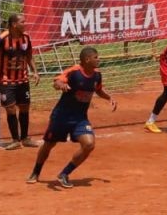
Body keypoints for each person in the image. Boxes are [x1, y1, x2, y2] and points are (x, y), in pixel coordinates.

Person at [27, 47, 117, 188]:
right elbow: (57, 81)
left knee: (89, 144)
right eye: (96, 57)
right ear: (87, 59)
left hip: (80, 118)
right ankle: (36, 171)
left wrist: (109, 97)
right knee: (49, 144)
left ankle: (64, 174)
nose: (98, 59)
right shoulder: (74, 72)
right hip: (61, 117)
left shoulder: (97, 75)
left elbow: (98, 89)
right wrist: (61, 85)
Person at [0, 13, 40, 150]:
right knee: (10, 109)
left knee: (25, 107)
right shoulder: (1, 39)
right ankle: (15, 140)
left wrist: (35, 71)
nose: (25, 24)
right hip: (6, 80)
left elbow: (29, 55)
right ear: (14, 24)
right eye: (22, 22)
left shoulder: (26, 37)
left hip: (23, 79)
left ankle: (25, 138)